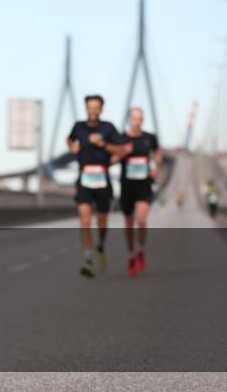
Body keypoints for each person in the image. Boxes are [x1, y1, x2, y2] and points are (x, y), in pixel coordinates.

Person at [67, 95, 131, 278]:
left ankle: (100, 245)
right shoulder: (79, 127)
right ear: (86, 108)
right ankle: (87, 259)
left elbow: (123, 150)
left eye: (96, 107)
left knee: (102, 223)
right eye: (90, 107)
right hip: (84, 178)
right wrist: (72, 146)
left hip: (102, 179)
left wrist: (103, 144)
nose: (93, 110)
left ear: (101, 109)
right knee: (85, 219)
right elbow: (69, 139)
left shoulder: (108, 128)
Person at [118, 107, 162, 278]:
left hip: (144, 186)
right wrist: (122, 152)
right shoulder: (120, 139)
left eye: (140, 118)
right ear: (129, 120)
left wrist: (156, 167)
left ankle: (141, 250)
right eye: (135, 118)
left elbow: (158, 153)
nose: (138, 121)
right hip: (126, 187)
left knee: (141, 221)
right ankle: (131, 255)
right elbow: (111, 159)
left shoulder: (149, 138)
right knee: (129, 225)